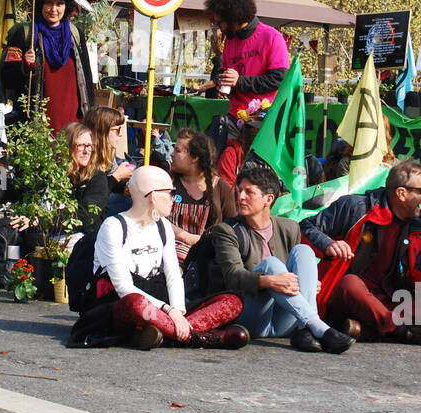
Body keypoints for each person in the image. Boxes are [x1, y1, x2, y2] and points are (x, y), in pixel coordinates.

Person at [300, 159, 421, 343]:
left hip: (390, 299)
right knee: (351, 283)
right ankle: (402, 331)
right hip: (346, 297)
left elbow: (420, 273)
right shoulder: (354, 207)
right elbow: (303, 227)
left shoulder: (419, 223)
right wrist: (328, 244)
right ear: (401, 193)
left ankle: (370, 329)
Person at [94, 166, 249, 349]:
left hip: (160, 303)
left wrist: (178, 311)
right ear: (152, 197)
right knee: (135, 303)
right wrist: (168, 310)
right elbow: (123, 288)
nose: (174, 199)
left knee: (233, 301)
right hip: (120, 303)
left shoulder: (164, 226)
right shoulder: (113, 227)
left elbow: (174, 275)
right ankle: (198, 338)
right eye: (170, 193)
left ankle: (160, 335)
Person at [208, 165, 354, 353]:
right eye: (239, 191)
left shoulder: (290, 227)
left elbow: (296, 274)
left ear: (268, 199)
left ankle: (306, 328)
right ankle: (319, 328)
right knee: (271, 264)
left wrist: (308, 282)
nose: (240, 197)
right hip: (251, 318)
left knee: (304, 251)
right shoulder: (227, 231)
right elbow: (233, 277)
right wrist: (270, 281)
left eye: (249, 192)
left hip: (287, 320)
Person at [2, 0, 95, 133]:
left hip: (73, 122)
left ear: (66, 7)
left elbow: (87, 77)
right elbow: (7, 78)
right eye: (49, 3)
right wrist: (24, 66)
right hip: (35, 123)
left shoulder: (75, 34)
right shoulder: (24, 34)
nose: (54, 9)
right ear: (41, 5)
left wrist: (90, 116)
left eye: (59, 4)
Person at [203, 0, 289, 143]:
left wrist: (239, 81)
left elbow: (278, 79)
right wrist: (224, 84)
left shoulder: (271, 37)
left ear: (233, 19)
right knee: (210, 149)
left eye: (219, 22)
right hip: (236, 115)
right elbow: (227, 72)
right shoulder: (230, 40)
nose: (218, 27)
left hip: (264, 116)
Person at [166, 128, 226, 262]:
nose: (171, 154)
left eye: (178, 150)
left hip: (207, 258)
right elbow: (154, 218)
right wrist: (186, 237)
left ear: (194, 158)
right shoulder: (166, 182)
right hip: (167, 254)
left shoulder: (220, 186)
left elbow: (232, 226)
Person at [83, 105, 136, 214]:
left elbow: (111, 184)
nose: (121, 134)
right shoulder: (85, 155)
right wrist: (117, 176)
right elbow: (93, 196)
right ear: (102, 131)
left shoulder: (108, 154)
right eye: (117, 130)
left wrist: (124, 187)